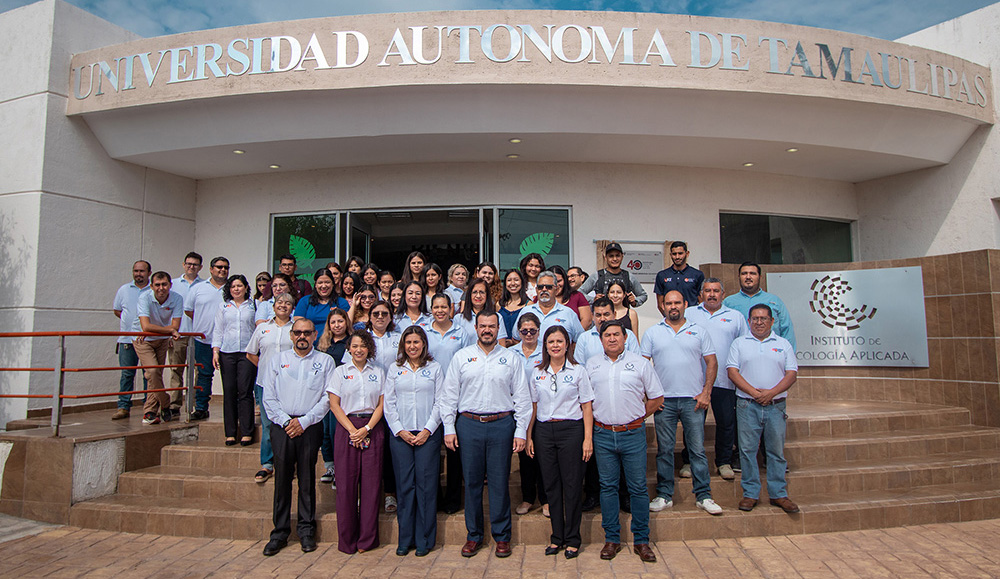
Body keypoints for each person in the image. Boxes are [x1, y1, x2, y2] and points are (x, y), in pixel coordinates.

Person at [440, 312, 531, 559]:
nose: (487, 330)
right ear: (476, 328)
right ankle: (474, 535)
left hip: (502, 424)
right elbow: (448, 396)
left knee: (500, 482)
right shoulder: (462, 357)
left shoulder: (511, 359)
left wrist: (521, 430)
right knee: (471, 482)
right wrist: (449, 427)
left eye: (492, 326)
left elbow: (522, 397)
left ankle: (502, 537)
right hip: (468, 425)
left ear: (498, 328)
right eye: (483, 326)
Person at [587, 320, 663, 563]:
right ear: (601, 340)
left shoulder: (640, 363)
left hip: (632, 435)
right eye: (607, 335)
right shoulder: (592, 365)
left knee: (638, 488)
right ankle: (612, 539)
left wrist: (638, 416)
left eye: (616, 335)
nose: (611, 339)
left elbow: (657, 397)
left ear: (625, 338)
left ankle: (641, 540)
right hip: (603, 435)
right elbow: (586, 400)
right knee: (608, 487)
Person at [641, 290, 723, 517]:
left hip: (693, 401)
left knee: (697, 450)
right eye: (669, 303)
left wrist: (706, 392)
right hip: (664, 402)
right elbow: (644, 367)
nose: (673, 306)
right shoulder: (653, 333)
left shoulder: (699, 331)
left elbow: (712, 362)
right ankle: (664, 495)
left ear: (686, 304)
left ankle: (704, 496)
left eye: (677, 302)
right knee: (664, 450)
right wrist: (651, 398)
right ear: (663, 306)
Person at [260, 319, 333, 557]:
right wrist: (285, 421)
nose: (302, 336)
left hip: (309, 426)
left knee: (306, 478)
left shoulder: (325, 361)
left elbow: (327, 398)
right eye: (298, 332)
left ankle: (306, 530)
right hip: (282, 426)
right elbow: (268, 396)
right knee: (282, 480)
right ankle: (279, 532)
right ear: (291, 335)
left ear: (314, 335)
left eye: (307, 333)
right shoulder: (277, 360)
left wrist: (304, 421)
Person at [526, 326, 593, 559]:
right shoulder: (537, 372)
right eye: (551, 341)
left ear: (567, 344)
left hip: (571, 431)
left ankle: (573, 538)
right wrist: (529, 436)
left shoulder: (578, 371)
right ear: (545, 346)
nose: (555, 345)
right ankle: (557, 537)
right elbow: (533, 407)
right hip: (544, 432)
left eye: (559, 341)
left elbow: (586, 407)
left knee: (572, 485)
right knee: (551, 486)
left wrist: (587, 438)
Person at [728, 304, 800, 515]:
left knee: (776, 451)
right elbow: (732, 371)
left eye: (763, 319)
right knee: (748, 451)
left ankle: (779, 493)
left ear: (772, 321)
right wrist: (754, 393)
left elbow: (791, 374)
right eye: (755, 319)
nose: (759, 322)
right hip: (747, 404)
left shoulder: (783, 344)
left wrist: (771, 393)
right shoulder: (739, 343)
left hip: (775, 405)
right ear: (749, 321)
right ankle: (750, 493)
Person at [573, 296, 641, 512]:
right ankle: (593, 494)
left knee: (624, 461)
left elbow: (638, 365)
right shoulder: (585, 339)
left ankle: (625, 496)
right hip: (595, 406)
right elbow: (580, 371)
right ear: (592, 316)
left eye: (607, 314)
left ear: (615, 315)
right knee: (594, 457)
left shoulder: (627, 336)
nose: (602, 319)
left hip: (624, 405)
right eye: (598, 315)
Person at [384, 326, 445, 557]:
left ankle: (424, 539)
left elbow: (441, 401)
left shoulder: (435, 368)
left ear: (424, 344)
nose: (412, 346)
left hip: (427, 435)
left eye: (416, 342)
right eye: (408, 342)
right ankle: (405, 538)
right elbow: (388, 403)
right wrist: (400, 430)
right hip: (401, 436)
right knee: (405, 487)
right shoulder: (394, 369)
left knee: (426, 487)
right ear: (403, 345)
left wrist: (428, 429)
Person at [683, 278, 749, 480]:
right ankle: (689, 461)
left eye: (716, 291)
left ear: (723, 294)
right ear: (701, 293)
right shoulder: (690, 313)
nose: (712, 294)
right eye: (707, 290)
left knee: (726, 422)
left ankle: (724, 461)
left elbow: (743, 346)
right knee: (693, 424)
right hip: (695, 381)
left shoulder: (735, 317)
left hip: (725, 381)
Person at [328, 330, 386, 554]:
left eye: (363, 345)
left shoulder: (378, 372)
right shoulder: (340, 372)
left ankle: (367, 540)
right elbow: (334, 404)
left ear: (369, 348)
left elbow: (382, 403)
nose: (359, 349)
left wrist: (367, 428)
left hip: (372, 427)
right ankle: (347, 541)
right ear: (348, 349)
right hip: (347, 429)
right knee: (346, 487)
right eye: (355, 346)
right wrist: (353, 430)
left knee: (371, 488)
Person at [424, 293, 473, 515]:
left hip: (456, 398)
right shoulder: (424, 331)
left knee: (454, 453)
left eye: (444, 306)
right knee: (432, 452)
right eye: (436, 307)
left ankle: (453, 499)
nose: (440, 310)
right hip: (430, 399)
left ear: (451, 308)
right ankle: (434, 499)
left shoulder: (461, 332)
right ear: (431, 309)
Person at [247, 292, 295, 483]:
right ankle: (267, 464)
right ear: (273, 306)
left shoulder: (296, 328)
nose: (283, 305)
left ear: (292, 308)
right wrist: (267, 369)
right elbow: (251, 353)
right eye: (280, 302)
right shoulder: (262, 329)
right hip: (265, 384)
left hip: (290, 384)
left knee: (289, 424)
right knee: (268, 425)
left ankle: (288, 463)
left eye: (288, 303)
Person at [212, 274, 258, 446]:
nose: (236, 289)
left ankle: (247, 431)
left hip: (247, 353)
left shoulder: (254, 305)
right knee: (229, 391)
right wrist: (215, 351)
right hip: (227, 352)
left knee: (245, 391)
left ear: (246, 287)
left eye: (239, 286)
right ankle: (230, 432)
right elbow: (218, 330)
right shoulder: (224, 307)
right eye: (233, 287)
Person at [510, 314, 548, 518]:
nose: (528, 334)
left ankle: (546, 499)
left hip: (542, 410)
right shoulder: (510, 353)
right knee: (525, 457)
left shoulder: (546, 350)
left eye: (532, 330)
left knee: (543, 457)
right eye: (524, 331)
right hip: (519, 411)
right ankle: (527, 497)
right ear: (518, 332)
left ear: (538, 330)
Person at [134, 271, 183, 425]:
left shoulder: (177, 298)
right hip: (143, 339)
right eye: (157, 285)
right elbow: (145, 326)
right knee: (153, 371)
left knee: (154, 376)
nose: (161, 288)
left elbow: (176, 325)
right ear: (151, 286)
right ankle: (165, 402)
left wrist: (168, 330)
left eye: (164, 284)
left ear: (170, 285)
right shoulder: (144, 298)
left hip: (161, 340)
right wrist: (169, 330)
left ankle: (149, 412)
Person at [184, 256, 229, 420]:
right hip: (203, 341)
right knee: (204, 375)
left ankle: (232, 411)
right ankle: (201, 408)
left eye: (225, 267)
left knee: (230, 378)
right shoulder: (198, 288)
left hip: (227, 342)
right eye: (218, 267)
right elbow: (189, 311)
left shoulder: (232, 288)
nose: (222, 270)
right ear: (211, 269)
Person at [723, 262, 797, 350]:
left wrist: (789, 356)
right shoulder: (728, 302)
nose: (748, 277)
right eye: (744, 273)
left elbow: (787, 329)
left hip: (772, 352)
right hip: (740, 353)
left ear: (760, 277)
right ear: (739, 277)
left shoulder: (774, 300)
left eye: (752, 273)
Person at [111, 260, 151, 420]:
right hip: (127, 340)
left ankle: (148, 406)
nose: (138, 274)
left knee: (148, 374)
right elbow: (117, 311)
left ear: (148, 273)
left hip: (147, 339)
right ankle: (123, 406)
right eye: (136, 271)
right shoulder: (124, 290)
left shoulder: (153, 290)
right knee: (127, 373)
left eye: (142, 271)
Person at [316, 308, 351, 485]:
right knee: (325, 432)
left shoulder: (351, 342)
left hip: (344, 395)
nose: (337, 325)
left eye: (340, 321)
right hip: (324, 393)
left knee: (336, 431)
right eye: (333, 322)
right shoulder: (322, 344)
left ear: (346, 322)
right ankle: (330, 466)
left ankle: (340, 468)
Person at [167, 252, 203, 418]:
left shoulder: (204, 285)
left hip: (197, 334)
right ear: (183, 264)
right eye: (189, 263)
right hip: (178, 334)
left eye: (195, 264)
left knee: (198, 372)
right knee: (176, 370)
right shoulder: (172, 285)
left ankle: (196, 405)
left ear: (200, 267)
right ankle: (174, 405)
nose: (191, 267)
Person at [513, 271, 584, 346]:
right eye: (540, 287)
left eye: (549, 287)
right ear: (536, 290)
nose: (544, 290)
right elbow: (516, 338)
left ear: (556, 290)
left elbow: (580, 340)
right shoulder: (526, 311)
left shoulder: (568, 313)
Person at [579, 242, 647, 307]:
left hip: (624, 317)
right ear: (605, 258)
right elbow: (579, 293)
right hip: (602, 317)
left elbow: (643, 295)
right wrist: (593, 300)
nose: (615, 259)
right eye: (611, 256)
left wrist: (635, 301)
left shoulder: (629, 276)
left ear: (622, 256)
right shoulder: (597, 276)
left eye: (617, 255)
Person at [293, 268, 350, 343]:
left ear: (333, 284)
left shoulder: (341, 302)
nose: (323, 286)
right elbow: (299, 326)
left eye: (327, 282)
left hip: (334, 346)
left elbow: (348, 324)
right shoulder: (305, 301)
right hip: (310, 346)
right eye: (320, 282)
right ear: (315, 285)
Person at [654, 241, 705, 316]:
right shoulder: (662, 275)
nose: (677, 257)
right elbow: (660, 304)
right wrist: (669, 318)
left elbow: (702, 302)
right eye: (674, 254)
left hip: (692, 319)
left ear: (687, 254)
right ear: (670, 255)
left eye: (680, 253)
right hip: (671, 319)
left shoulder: (697, 274)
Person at [456, 278, 508, 343]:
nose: (478, 296)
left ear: (487, 295)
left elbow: (501, 344)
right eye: (474, 292)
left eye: (482, 292)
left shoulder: (498, 317)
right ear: (469, 295)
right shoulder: (459, 319)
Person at [551, 265, 592, 330]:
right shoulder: (541, 298)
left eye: (559, 281)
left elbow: (587, 320)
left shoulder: (577, 296)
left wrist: (575, 337)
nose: (556, 285)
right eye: (553, 282)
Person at [367, 300, 401, 372]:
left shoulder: (399, 338)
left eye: (384, 314)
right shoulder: (361, 339)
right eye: (376, 314)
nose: (380, 317)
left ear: (391, 318)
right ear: (370, 317)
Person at [497, 269, 529, 340]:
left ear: (522, 282)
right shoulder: (499, 304)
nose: (513, 283)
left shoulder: (529, 305)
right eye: (509, 280)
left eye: (516, 280)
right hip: (502, 347)